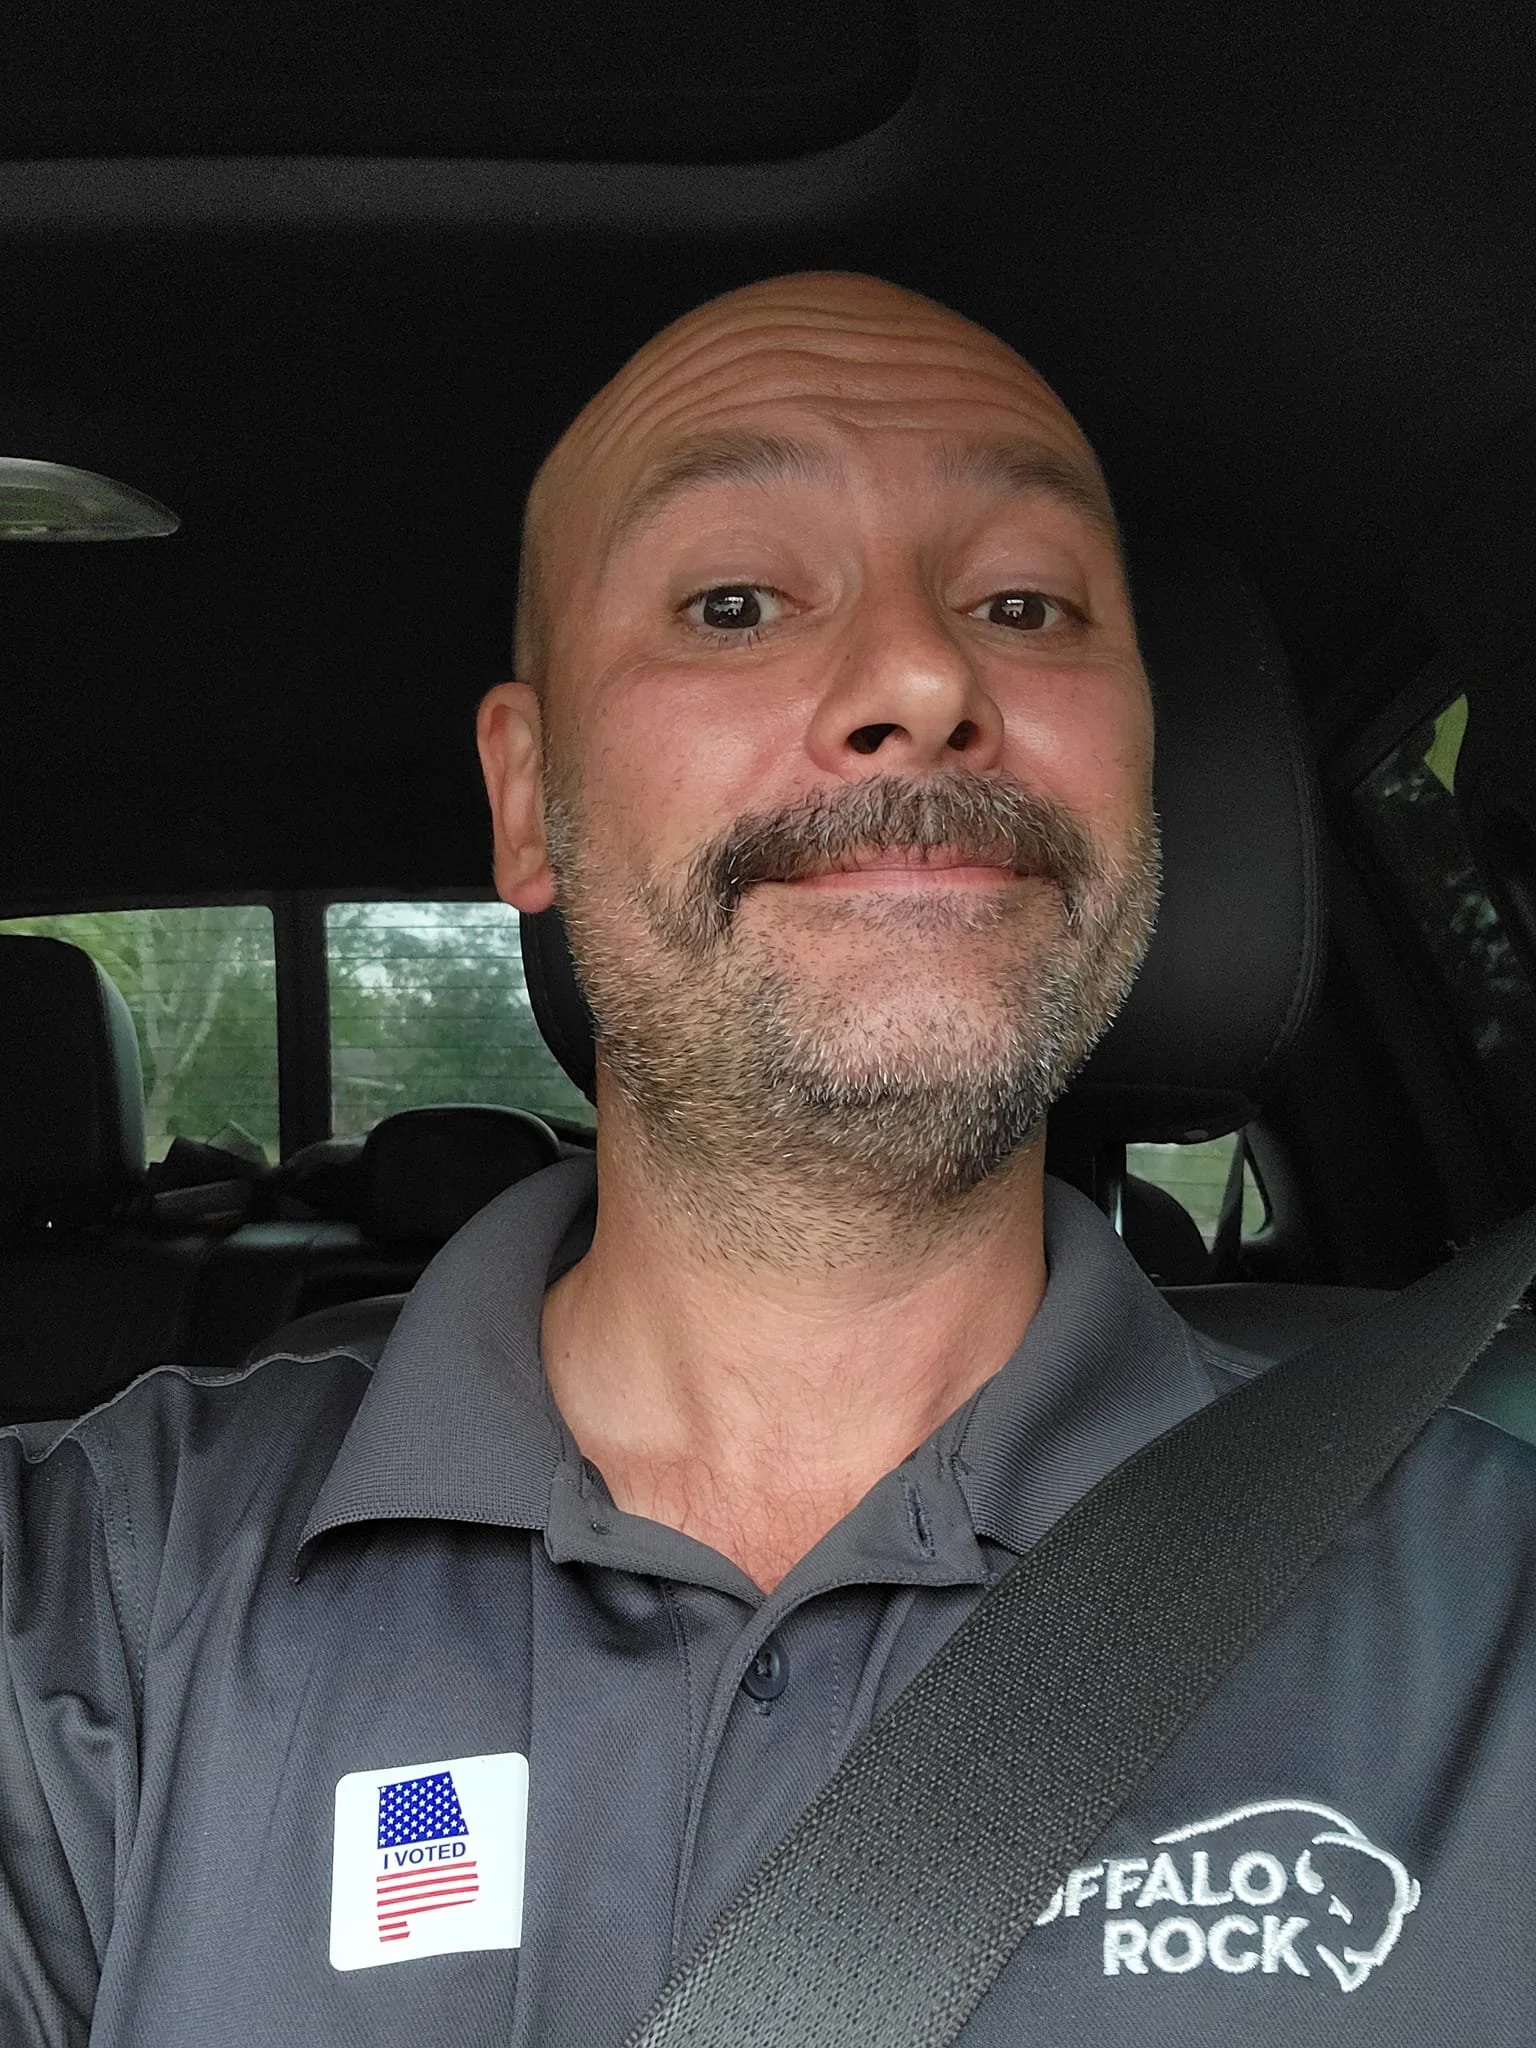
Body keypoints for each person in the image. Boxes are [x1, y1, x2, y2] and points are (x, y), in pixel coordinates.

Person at [2, 272, 1533, 2048]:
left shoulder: (1495, 1617)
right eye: (733, 602)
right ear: (526, 800)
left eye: (1026, 603)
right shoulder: (86, 1602)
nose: (922, 676)